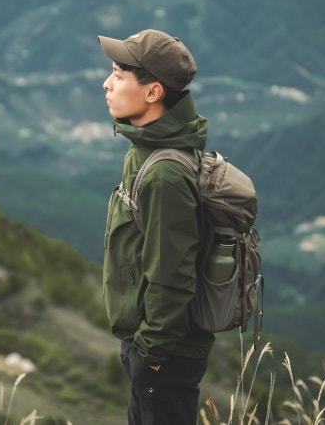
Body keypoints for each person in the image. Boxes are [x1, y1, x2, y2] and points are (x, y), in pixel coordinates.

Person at [98, 29, 214, 425]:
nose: (106, 84)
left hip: (165, 352)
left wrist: (152, 353)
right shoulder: (144, 149)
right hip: (149, 343)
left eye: (118, 74)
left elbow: (172, 275)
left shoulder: (164, 174)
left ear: (153, 93)